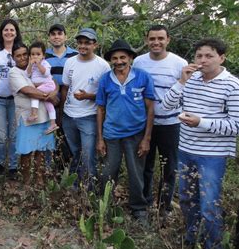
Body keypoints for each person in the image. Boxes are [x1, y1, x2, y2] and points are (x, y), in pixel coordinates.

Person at [162, 39, 239, 249]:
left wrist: (201, 122)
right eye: (199, 56)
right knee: (187, 198)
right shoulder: (191, 79)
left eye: (209, 56)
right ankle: (192, 239)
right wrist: (181, 82)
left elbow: (236, 125)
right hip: (186, 149)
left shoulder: (233, 85)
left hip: (212, 155)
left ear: (222, 58)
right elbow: (166, 106)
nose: (203, 60)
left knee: (209, 204)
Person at [96, 39, 155, 223]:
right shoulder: (105, 79)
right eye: (115, 58)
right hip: (111, 134)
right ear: (111, 60)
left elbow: (150, 108)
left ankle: (139, 209)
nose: (119, 61)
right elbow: (100, 109)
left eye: (123, 57)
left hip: (136, 134)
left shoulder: (143, 77)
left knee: (136, 173)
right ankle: (105, 205)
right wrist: (100, 138)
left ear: (130, 58)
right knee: (107, 172)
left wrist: (146, 138)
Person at [132, 25, 187, 215]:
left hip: (170, 124)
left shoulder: (179, 63)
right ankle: (145, 203)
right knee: (145, 165)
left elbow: (185, 93)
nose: (156, 42)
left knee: (169, 167)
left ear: (168, 40)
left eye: (160, 38)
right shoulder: (138, 62)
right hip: (145, 123)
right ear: (146, 40)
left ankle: (165, 206)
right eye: (152, 38)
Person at [61, 28, 110, 189]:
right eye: (80, 43)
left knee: (88, 155)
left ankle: (90, 189)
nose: (83, 46)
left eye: (87, 43)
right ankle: (75, 186)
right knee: (76, 153)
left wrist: (88, 96)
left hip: (89, 116)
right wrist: (62, 113)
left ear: (95, 45)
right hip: (69, 115)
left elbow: (107, 95)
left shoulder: (102, 66)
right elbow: (65, 88)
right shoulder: (70, 62)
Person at [10, 43, 57, 186]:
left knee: (41, 150)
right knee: (26, 151)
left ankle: (39, 179)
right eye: (19, 55)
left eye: (25, 54)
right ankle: (27, 181)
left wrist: (54, 91)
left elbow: (53, 81)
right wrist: (49, 94)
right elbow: (28, 90)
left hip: (43, 116)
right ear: (14, 58)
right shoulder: (14, 72)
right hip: (27, 117)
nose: (23, 58)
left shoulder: (40, 66)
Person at [0, 18, 22, 178]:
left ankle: (13, 166)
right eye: (6, 30)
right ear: (1, 33)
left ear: (16, 33)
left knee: (14, 135)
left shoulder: (21, 52)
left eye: (12, 30)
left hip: (16, 100)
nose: (9, 33)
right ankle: (0, 163)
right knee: (2, 135)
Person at [45, 23, 77, 169]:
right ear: (49, 38)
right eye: (53, 34)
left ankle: (66, 169)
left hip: (70, 104)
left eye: (59, 33)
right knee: (49, 136)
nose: (56, 36)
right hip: (48, 103)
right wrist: (50, 95)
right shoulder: (44, 56)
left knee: (67, 138)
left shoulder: (75, 55)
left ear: (65, 36)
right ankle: (49, 169)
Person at [26, 41, 58, 135]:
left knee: (34, 94)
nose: (35, 56)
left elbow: (46, 73)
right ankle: (53, 123)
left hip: (48, 85)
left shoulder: (45, 63)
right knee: (48, 104)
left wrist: (39, 64)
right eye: (32, 54)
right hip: (43, 86)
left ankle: (34, 113)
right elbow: (27, 74)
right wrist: (31, 65)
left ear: (43, 55)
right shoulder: (32, 65)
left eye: (38, 54)